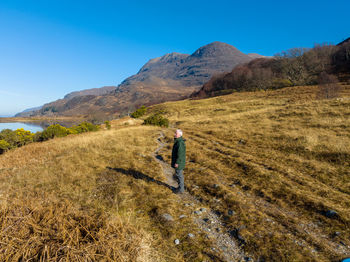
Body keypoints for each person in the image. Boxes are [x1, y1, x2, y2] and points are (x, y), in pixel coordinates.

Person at [171, 129, 186, 194]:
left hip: (179, 162)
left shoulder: (180, 143)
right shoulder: (178, 141)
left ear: (179, 135)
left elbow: (180, 154)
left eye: (176, 133)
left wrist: (177, 163)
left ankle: (181, 190)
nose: (174, 134)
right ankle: (180, 188)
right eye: (175, 133)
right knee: (179, 175)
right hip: (179, 162)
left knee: (179, 175)